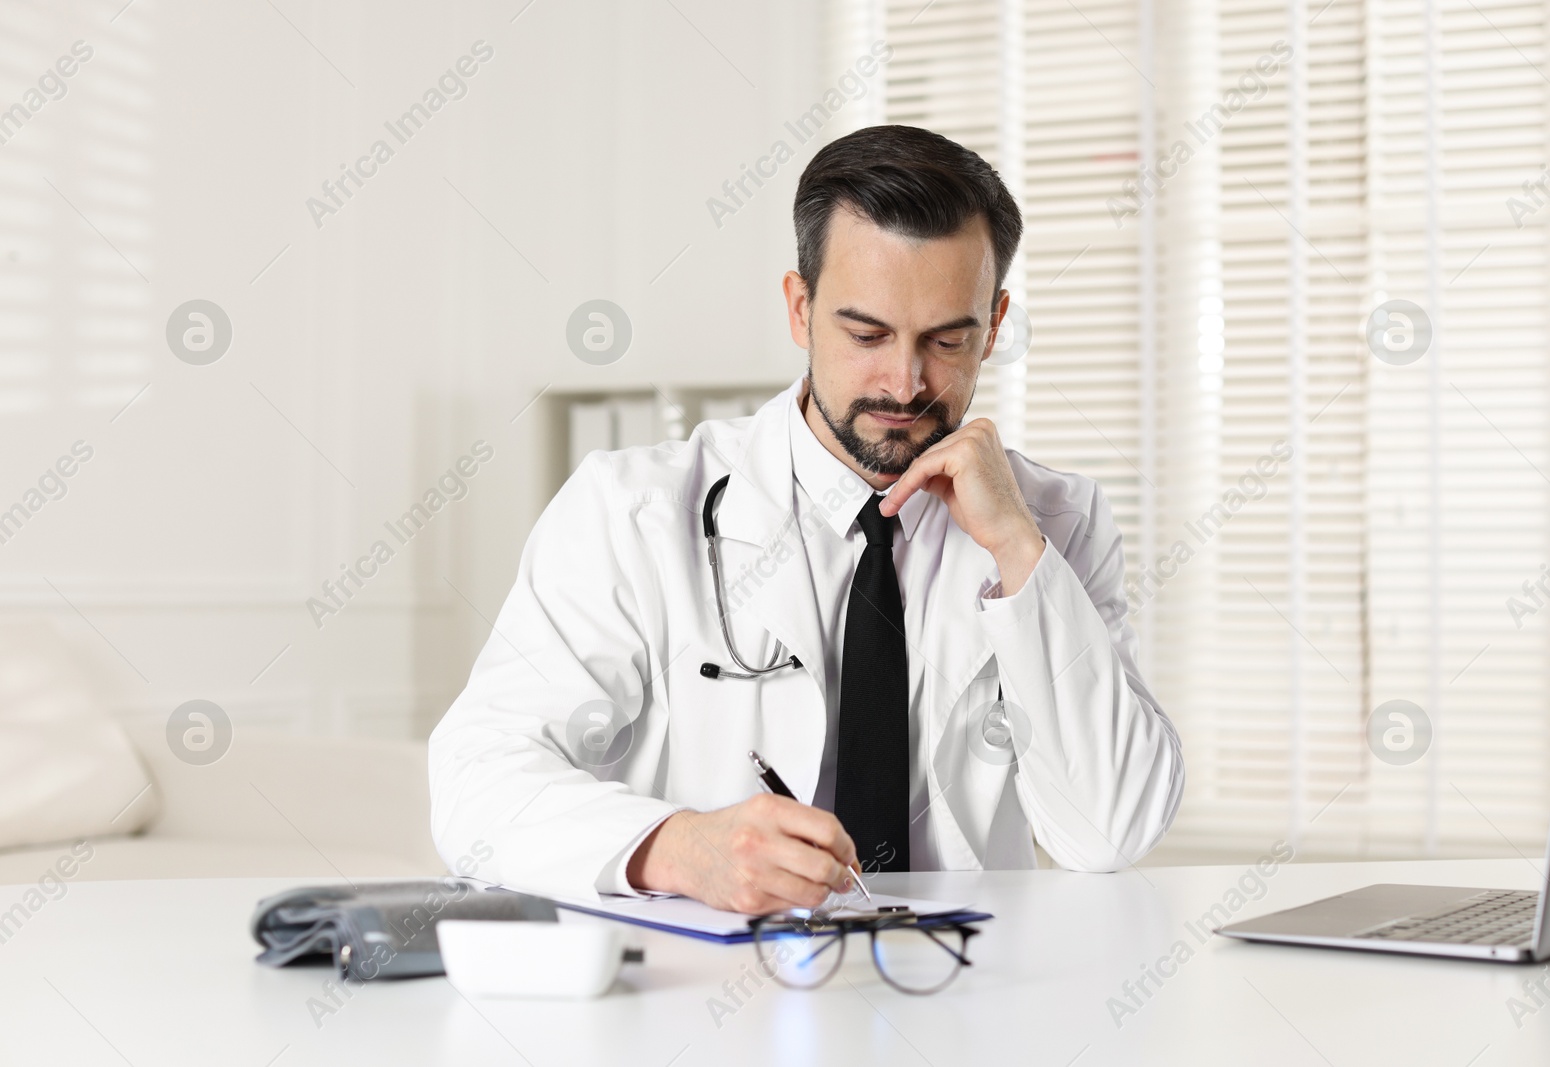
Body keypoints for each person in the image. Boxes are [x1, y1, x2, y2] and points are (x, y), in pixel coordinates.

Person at [429, 124, 1184, 913]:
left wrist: (1019, 552)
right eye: (866, 334)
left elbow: (1111, 828)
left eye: (947, 339)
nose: (904, 382)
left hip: (967, 995)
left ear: (994, 326)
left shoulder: (1055, 524)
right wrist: (681, 848)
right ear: (800, 308)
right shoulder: (633, 511)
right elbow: (476, 780)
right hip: (711, 1006)